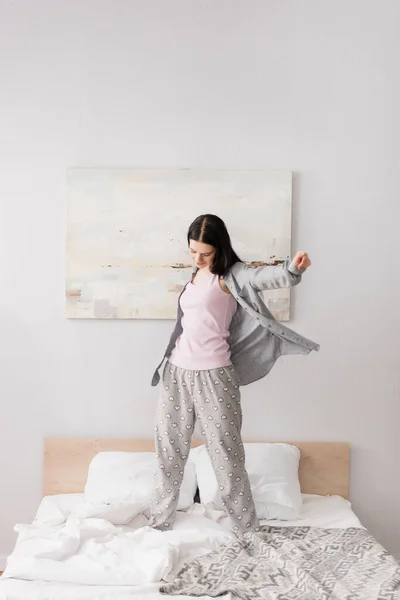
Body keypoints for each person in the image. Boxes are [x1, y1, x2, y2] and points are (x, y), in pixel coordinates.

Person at [149, 214, 319, 535]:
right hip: (177, 373)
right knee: (168, 450)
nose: (198, 259)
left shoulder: (231, 275)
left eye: (205, 253)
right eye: (192, 252)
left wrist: (292, 269)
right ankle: (159, 523)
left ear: (219, 249)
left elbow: (263, 278)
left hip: (214, 377)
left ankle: (247, 531)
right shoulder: (196, 275)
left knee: (226, 456)